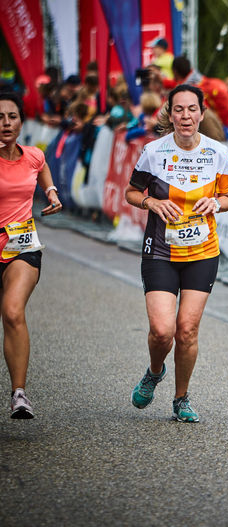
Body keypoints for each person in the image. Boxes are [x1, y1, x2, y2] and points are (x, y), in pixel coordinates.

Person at [124, 85, 228, 423]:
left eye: (192, 109)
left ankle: (181, 398)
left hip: (202, 251)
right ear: (170, 114)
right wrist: (152, 202)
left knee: (186, 329)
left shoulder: (218, 153)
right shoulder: (153, 151)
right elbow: (131, 192)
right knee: (163, 331)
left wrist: (215, 203)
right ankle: (154, 371)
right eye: (179, 109)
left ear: (202, 113)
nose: (186, 116)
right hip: (160, 250)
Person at [0, 92, 62, 418]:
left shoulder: (33, 155)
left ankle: (19, 394)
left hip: (21, 246)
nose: (6, 123)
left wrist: (50, 191)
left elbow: (42, 167)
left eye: (12, 116)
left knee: (12, 311)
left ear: (22, 121)